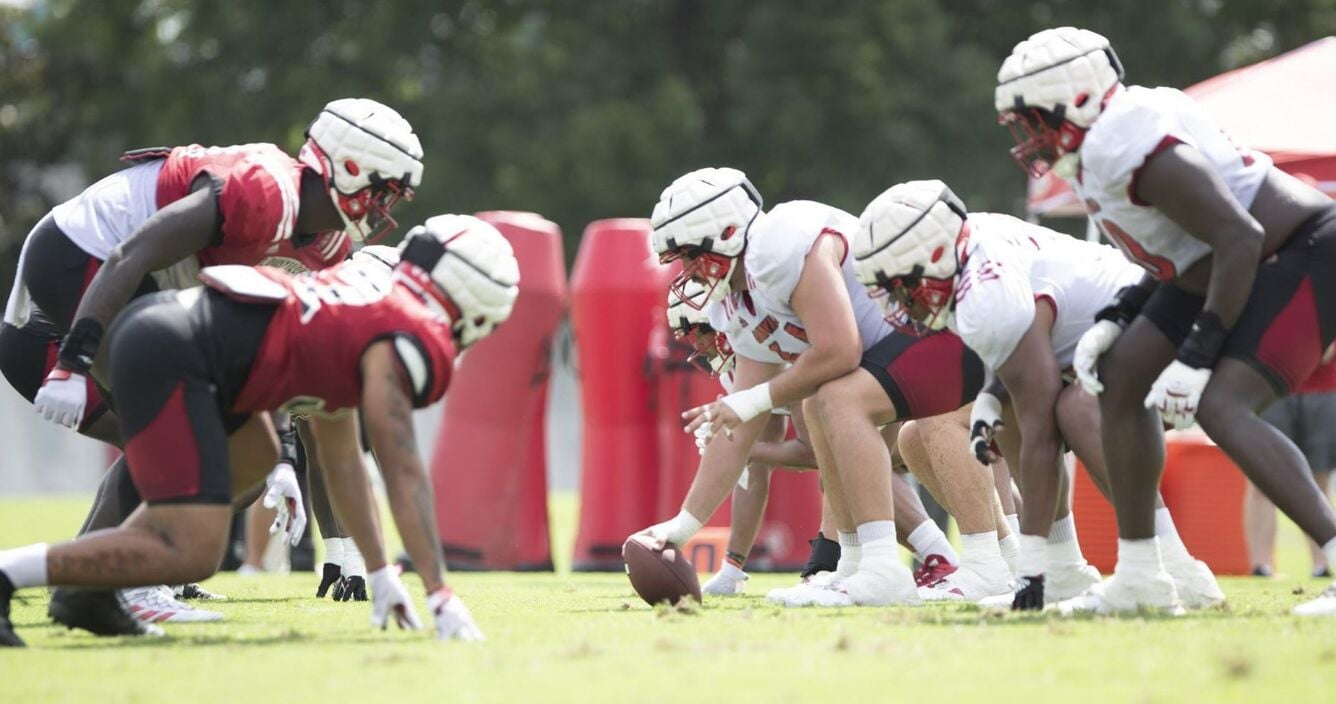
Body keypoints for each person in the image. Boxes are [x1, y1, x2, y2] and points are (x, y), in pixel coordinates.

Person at [0, 214, 517, 646]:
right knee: (196, 548)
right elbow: (402, 470)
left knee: (254, 459)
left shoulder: (360, 308)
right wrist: (439, 591)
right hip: (179, 353)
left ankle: (88, 592)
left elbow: (343, 458)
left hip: (172, 334)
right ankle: (13, 573)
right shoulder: (398, 330)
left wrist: (380, 572)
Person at [0, 98, 421, 621]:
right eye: (383, 191)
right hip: (82, 256)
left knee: (249, 451)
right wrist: (74, 358)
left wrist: (286, 457)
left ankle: (88, 587)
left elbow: (270, 347)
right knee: (172, 437)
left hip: (145, 295)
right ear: (350, 166)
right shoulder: (265, 186)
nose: (385, 209)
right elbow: (133, 252)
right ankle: (112, 585)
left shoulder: (327, 245)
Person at [995, 27, 1336, 615]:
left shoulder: (1125, 138)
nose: (1031, 138)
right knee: (1119, 375)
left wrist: (1198, 357)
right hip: (1222, 262)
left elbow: (1238, 236)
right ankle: (1141, 575)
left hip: (1298, 248)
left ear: (1078, 99)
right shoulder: (1103, 140)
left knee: (1221, 405)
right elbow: (1178, 249)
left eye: (1036, 119)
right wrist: (1122, 314)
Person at [635, 167, 1007, 608]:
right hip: (902, 345)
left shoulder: (776, 244)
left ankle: (903, 564)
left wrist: (753, 400)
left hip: (948, 320)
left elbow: (840, 350)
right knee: (822, 405)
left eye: (691, 252)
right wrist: (681, 526)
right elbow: (741, 427)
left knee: (836, 399)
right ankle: (855, 564)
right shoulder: (737, 303)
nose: (688, 270)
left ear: (730, 231)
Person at [853, 179, 1221, 610]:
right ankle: (1067, 569)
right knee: (1010, 408)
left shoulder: (986, 291)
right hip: (1116, 336)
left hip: (1166, 334)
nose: (901, 304)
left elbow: (1041, 433)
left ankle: (1171, 568)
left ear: (933, 256)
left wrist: (1029, 570)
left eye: (903, 286)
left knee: (1074, 412)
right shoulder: (967, 251)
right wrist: (991, 397)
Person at [666, 285, 964, 595]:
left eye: (697, 329)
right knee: (848, 464)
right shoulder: (745, 368)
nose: (696, 343)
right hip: (876, 379)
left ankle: (938, 555)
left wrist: (748, 450)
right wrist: (732, 568)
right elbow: (756, 474)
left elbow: (811, 453)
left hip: (897, 362)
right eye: (687, 333)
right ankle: (920, 558)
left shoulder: (782, 351)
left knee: (855, 462)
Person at [1245, 353, 1336, 578]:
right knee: (1261, 480)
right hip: (1271, 389)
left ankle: (1321, 565)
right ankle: (1261, 566)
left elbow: (1324, 352)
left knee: (1318, 481)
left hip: (1324, 389)